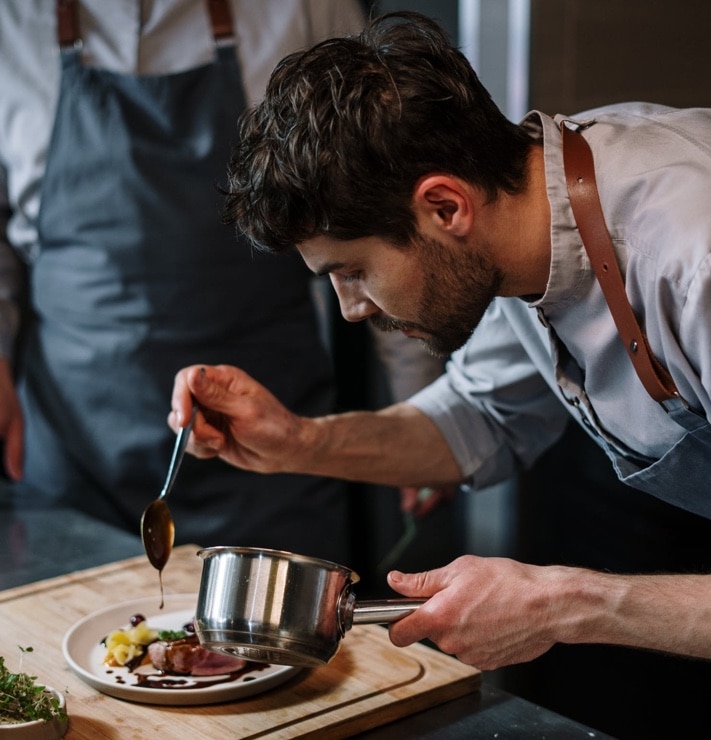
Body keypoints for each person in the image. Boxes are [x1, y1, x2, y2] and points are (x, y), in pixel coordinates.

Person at [167, 8, 711, 677]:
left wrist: (568, 604)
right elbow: (478, 418)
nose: (350, 309)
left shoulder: (692, 264)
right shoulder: (525, 213)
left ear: (445, 207)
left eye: (352, 271)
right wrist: (297, 442)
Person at [0, 0, 368, 563]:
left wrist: (419, 412)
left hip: (272, 449)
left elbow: (381, 211)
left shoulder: (307, 8)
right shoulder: (11, 20)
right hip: (73, 453)